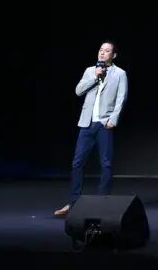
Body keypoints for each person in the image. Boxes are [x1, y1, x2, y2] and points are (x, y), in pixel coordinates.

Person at [54, 41, 129, 217]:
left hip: (104, 124)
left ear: (113, 55)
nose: (102, 53)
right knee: (77, 163)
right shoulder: (90, 70)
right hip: (86, 123)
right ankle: (73, 203)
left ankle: (102, 202)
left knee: (106, 163)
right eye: (101, 50)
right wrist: (95, 77)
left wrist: (113, 119)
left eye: (107, 51)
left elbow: (121, 98)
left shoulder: (120, 74)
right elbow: (78, 91)